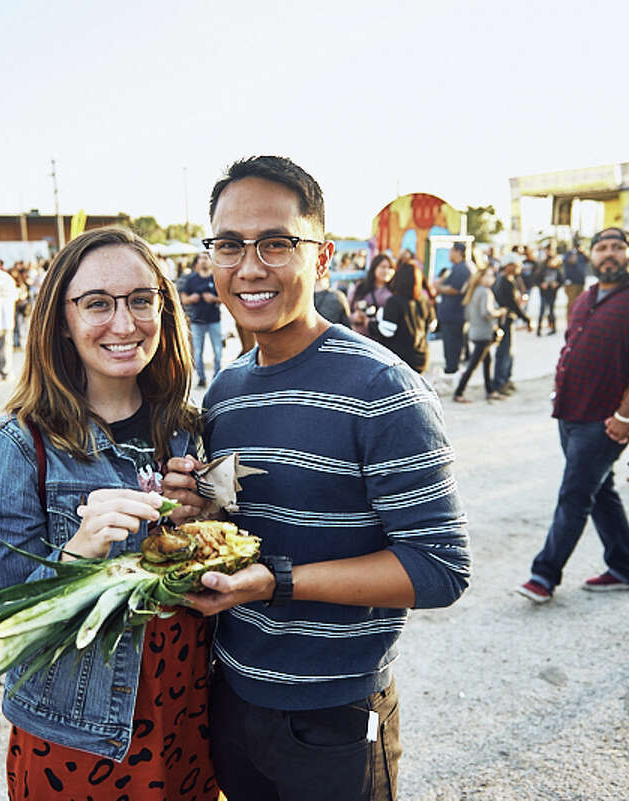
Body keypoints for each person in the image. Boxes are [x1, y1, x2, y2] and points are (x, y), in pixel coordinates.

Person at [168, 155, 470, 801]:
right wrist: (194, 509)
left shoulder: (384, 390)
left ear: (324, 256)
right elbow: (233, 519)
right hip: (232, 693)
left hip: (336, 715)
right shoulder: (226, 389)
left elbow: (440, 569)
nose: (250, 267)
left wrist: (278, 582)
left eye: (277, 242)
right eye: (229, 244)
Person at [0, 227, 214, 801]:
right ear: (61, 318)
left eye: (140, 300)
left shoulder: (188, 429)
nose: (125, 324)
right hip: (80, 735)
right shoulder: (15, 444)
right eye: (98, 304)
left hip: (192, 716)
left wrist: (202, 525)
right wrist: (78, 551)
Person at [515, 227, 629, 604]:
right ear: (592, 255)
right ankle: (626, 567)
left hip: (604, 419)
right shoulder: (586, 297)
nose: (609, 254)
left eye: (618, 247)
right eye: (602, 248)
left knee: (574, 494)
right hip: (570, 411)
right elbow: (571, 346)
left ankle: (543, 575)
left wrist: (625, 415)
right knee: (599, 490)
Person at [370, 257, 433, 373]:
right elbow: (432, 325)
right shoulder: (424, 299)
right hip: (421, 357)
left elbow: (387, 332)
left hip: (400, 359)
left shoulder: (394, 301)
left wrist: (370, 324)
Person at [452, 264, 503, 403]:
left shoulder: (473, 290)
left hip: (474, 331)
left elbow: (468, 315)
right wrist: (500, 312)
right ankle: (459, 392)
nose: (491, 278)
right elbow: (486, 313)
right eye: (489, 275)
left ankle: (490, 390)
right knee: (473, 364)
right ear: (481, 277)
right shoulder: (485, 292)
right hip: (484, 332)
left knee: (487, 361)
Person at [179, 252, 223, 387]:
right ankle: (202, 378)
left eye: (206, 258)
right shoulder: (191, 279)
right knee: (197, 352)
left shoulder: (217, 278)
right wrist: (192, 298)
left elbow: (226, 299)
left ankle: (217, 376)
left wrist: (214, 298)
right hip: (197, 321)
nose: (203, 261)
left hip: (214, 320)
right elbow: (183, 299)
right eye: (201, 258)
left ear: (211, 261)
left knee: (218, 350)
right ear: (197, 262)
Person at [492, 254, 532, 394]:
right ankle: (500, 382)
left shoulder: (510, 280)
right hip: (504, 321)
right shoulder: (504, 282)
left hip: (508, 320)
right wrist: (527, 319)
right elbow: (512, 304)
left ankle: (505, 379)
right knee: (504, 352)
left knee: (508, 352)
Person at [434, 242, 471, 381]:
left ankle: (452, 374)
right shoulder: (455, 268)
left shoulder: (461, 269)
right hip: (450, 314)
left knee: (453, 347)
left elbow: (455, 289)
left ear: (458, 252)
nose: (449, 254)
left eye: (451, 251)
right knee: (451, 346)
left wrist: (439, 288)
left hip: (454, 315)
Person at [346, 254, 394, 337]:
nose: (386, 271)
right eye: (383, 267)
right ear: (374, 268)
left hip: (382, 341)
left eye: (390, 268)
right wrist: (355, 317)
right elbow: (346, 312)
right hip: (359, 337)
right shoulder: (360, 288)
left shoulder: (395, 291)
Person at [562, 241, 589, 321]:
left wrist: (583, 252)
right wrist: (574, 252)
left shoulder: (582, 255)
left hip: (580, 281)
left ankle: (578, 321)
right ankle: (570, 322)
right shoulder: (569, 254)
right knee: (572, 303)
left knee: (580, 303)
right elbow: (571, 261)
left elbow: (589, 259)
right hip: (571, 282)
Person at [535, 253, 561, 335]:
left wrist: (557, 284)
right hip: (544, 293)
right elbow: (536, 280)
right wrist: (541, 284)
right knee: (542, 310)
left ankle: (553, 327)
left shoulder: (557, 270)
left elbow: (561, 280)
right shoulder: (542, 270)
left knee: (551, 310)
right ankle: (539, 328)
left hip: (552, 293)